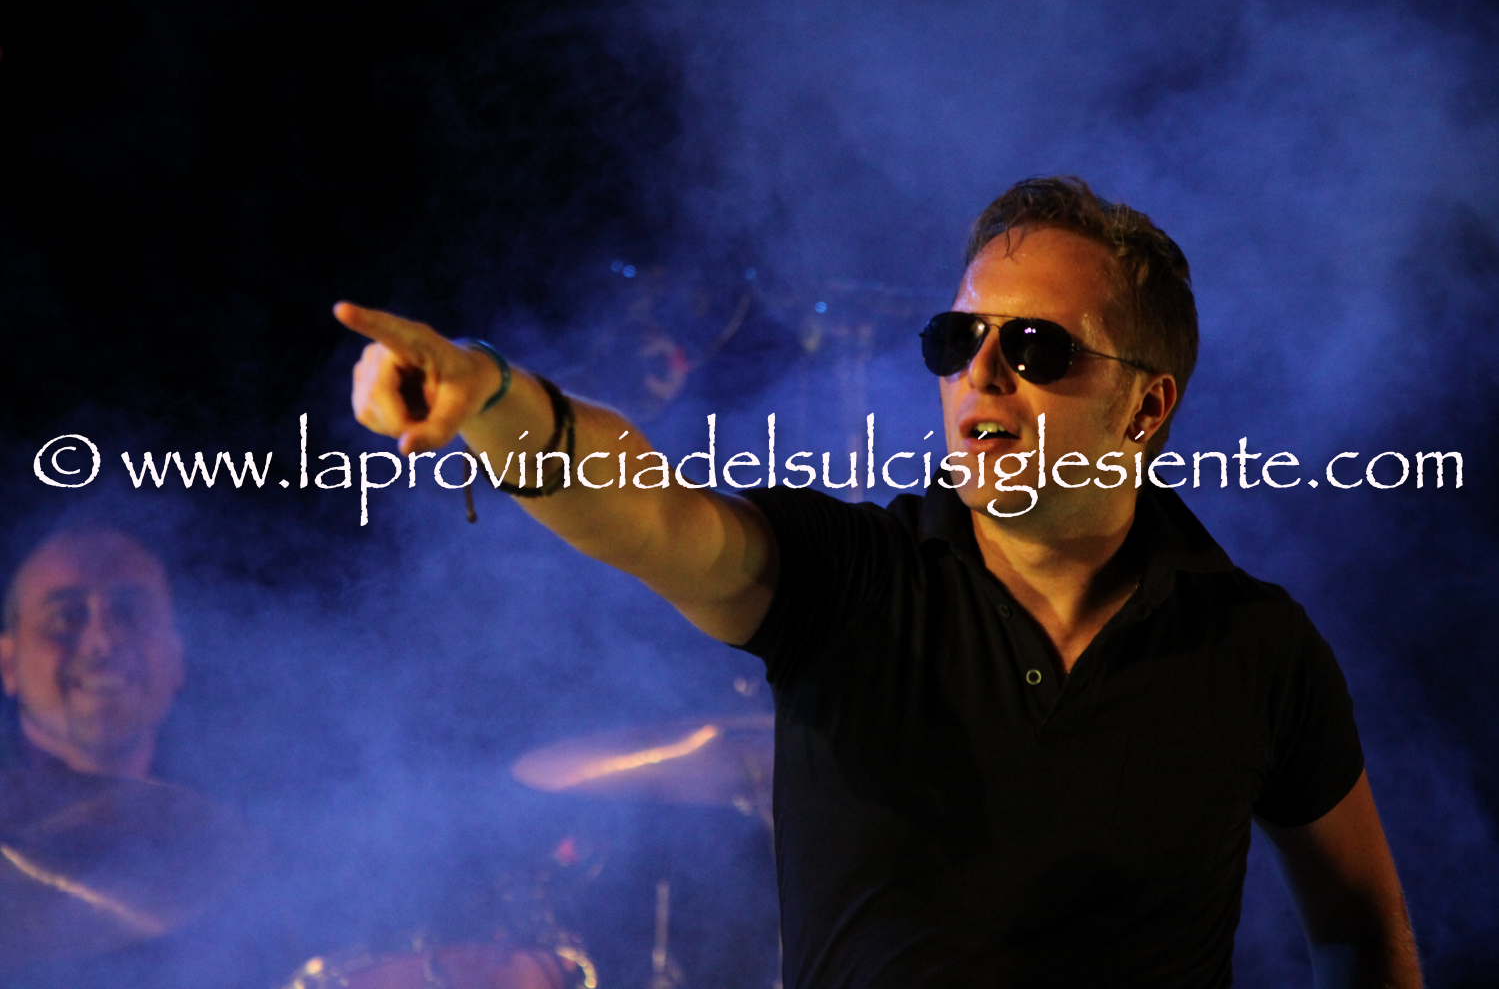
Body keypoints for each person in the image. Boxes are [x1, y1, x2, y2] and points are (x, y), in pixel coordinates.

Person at [338, 176, 1422, 988]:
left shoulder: (1255, 646)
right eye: (958, 338)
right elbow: (653, 512)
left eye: (1035, 347)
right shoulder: (850, 577)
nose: (980, 372)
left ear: (1145, 407)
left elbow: (1360, 930)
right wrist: (493, 399)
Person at [0, 526, 183, 778]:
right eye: (66, 617)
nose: (103, 642)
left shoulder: (225, 791)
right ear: (8, 663)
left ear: (177, 658)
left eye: (131, 614)